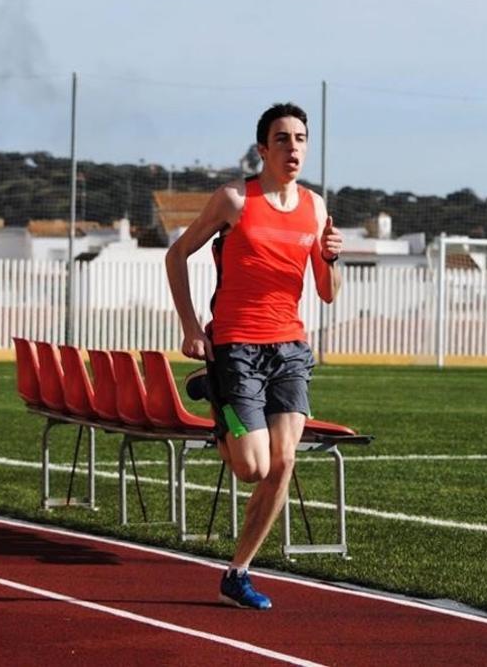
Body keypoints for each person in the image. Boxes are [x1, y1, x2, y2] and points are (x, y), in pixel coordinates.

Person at [165, 102, 342, 610]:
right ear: (263, 149)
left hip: (290, 348)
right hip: (237, 345)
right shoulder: (234, 200)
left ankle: (238, 571)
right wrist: (191, 327)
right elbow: (176, 255)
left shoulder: (316, 208)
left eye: (301, 139)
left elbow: (328, 292)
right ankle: (217, 394)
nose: (294, 148)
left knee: (284, 461)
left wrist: (331, 258)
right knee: (250, 468)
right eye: (283, 139)